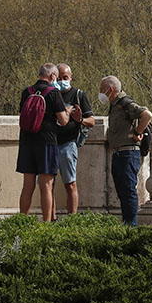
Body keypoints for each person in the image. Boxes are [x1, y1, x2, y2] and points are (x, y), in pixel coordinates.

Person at [17, 63, 73, 222]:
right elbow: (63, 121)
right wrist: (68, 111)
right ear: (53, 76)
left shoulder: (26, 92)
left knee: (27, 186)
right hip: (47, 142)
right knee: (46, 186)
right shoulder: (54, 92)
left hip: (27, 142)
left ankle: (22, 222)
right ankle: (46, 225)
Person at [99, 75, 152, 226]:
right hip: (119, 153)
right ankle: (127, 223)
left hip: (128, 153)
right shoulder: (115, 105)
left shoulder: (125, 103)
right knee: (122, 192)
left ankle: (131, 225)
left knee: (128, 191)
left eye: (102, 90)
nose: (100, 93)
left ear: (110, 89)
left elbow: (147, 115)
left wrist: (137, 132)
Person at [52, 63, 95, 216]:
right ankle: (51, 219)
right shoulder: (51, 93)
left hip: (68, 145)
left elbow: (91, 121)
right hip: (50, 144)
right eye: (58, 78)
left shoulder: (79, 95)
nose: (62, 81)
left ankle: (72, 219)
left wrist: (79, 120)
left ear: (71, 77)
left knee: (70, 184)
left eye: (65, 77)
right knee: (49, 185)